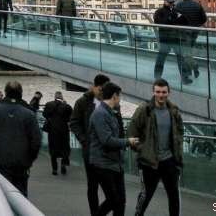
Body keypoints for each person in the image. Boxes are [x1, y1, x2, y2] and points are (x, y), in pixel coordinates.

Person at [129, 78, 184, 216]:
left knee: (174, 197)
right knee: (146, 195)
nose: (161, 95)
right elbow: (131, 134)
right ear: (153, 92)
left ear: (168, 93)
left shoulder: (174, 111)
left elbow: (180, 132)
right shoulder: (144, 110)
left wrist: (177, 153)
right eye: (158, 92)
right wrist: (143, 149)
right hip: (149, 162)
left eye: (164, 92)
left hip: (169, 160)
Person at [0, 81, 42, 197]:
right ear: (21, 93)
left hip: (1, 161)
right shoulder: (29, 114)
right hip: (22, 163)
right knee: (20, 195)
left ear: (5, 93)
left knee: (2, 196)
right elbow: (36, 141)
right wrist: (29, 159)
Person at [89, 82, 138, 216]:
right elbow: (107, 140)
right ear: (115, 96)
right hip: (103, 164)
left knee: (120, 201)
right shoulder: (100, 114)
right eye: (119, 96)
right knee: (113, 200)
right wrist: (128, 142)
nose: (120, 99)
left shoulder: (110, 112)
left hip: (115, 164)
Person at [69, 73, 110, 216]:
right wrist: (84, 140)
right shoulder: (82, 102)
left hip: (108, 153)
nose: (102, 93)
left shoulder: (110, 101)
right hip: (90, 152)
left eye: (104, 90)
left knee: (112, 192)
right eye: (100, 89)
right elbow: (74, 123)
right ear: (94, 87)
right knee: (92, 186)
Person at [153, 0, 192, 84]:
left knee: (180, 58)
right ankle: (157, 77)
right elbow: (159, 23)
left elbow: (185, 21)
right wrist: (173, 18)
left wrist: (178, 16)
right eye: (170, 2)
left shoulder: (176, 11)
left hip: (175, 38)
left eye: (172, 2)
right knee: (161, 59)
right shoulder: (159, 12)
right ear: (165, 2)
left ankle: (184, 78)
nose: (171, 4)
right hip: (165, 39)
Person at [175, 0, 207, 79]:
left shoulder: (179, 5)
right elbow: (204, 18)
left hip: (184, 32)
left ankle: (194, 67)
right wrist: (197, 25)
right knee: (189, 51)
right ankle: (190, 70)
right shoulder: (197, 5)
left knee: (186, 53)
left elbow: (176, 19)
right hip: (195, 31)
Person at [43, 91, 73, 176]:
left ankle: (54, 169)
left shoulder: (49, 104)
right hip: (64, 130)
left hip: (52, 130)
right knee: (64, 147)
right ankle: (63, 164)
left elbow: (44, 114)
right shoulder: (67, 106)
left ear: (54, 97)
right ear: (62, 97)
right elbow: (71, 117)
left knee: (53, 148)